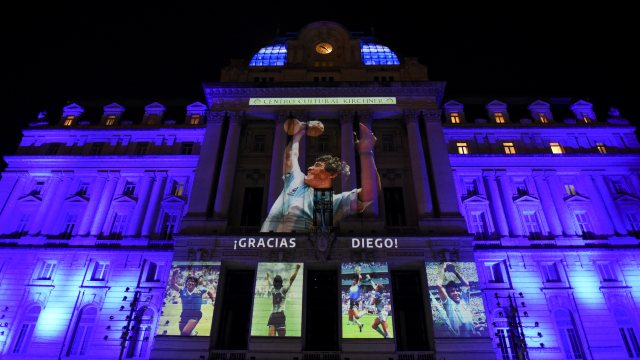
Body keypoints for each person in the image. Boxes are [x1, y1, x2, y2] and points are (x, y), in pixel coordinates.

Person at [260, 120, 380, 232]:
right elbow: (290, 156)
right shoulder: (297, 179)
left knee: (319, 227)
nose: (309, 168)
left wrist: (366, 152)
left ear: (332, 174)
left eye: (317, 165)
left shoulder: (330, 201)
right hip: (265, 244)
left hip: (300, 250)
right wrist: (299, 133)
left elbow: (370, 193)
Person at [435, 263, 478, 336]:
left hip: (473, 338)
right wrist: (443, 269)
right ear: (447, 294)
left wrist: (454, 271)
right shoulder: (449, 303)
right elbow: (439, 286)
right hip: (460, 340)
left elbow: (467, 285)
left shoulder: (464, 299)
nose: (456, 293)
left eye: (457, 290)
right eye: (452, 291)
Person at [170, 270, 215, 336]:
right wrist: (174, 274)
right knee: (183, 333)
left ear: (195, 284)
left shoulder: (200, 290)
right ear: (186, 283)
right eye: (188, 281)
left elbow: (209, 292)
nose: (190, 282)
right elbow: (173, 285)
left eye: (192, 281)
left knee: (185, 333)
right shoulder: (182, 290)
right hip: (184, 314)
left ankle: (192, 334)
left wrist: (213, 300)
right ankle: (193, 334)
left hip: (195, 314)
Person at [266, 264, 301, 336]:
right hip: (279, 315)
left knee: (272, 339)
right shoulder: (283, 290)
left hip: (274, 315)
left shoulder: (273, 289)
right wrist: (297, 270)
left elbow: (269, 281)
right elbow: (291, 280)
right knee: (281, 340)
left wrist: (268, 276)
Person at [347, 266, 365, 332]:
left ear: (356, 281)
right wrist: (348, 298)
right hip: (351, 302)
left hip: (355, 301)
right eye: (352, 280)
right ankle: (360, 325)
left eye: (354, 280)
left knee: (357, 316)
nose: (352, 281)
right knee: (350, 318)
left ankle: (366, 311)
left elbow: (360, 278)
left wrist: (358, 273)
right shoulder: (351, 287)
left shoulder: (358, 285)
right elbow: (351, 295)